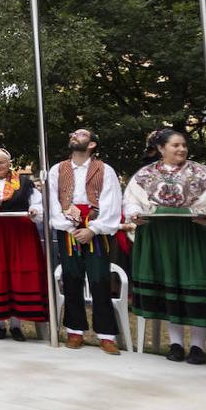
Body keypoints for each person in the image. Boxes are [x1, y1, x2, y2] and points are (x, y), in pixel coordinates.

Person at [125, 129, 206, 364]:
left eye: (183, 145)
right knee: (169, 285)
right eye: (175, 145)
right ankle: (176, 344)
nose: (181, 149)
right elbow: (130, 201)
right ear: (161, 148)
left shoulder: (203, 173)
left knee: (195, 283)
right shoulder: (144, 175)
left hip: (194, 233)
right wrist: (134, 214)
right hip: (157, 235)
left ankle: (198, 347)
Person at [48, 128, 123, 355]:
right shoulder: (57, 170)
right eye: (72, 134)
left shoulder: (105, 170)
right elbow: (52, 200)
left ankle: (106, 335)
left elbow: (112, 201)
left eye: (80, 135)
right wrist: (69, 227)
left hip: (96, 231)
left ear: (91, 144)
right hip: (67, 230)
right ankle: (74, 330)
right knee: (71, 279)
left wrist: (94, 229)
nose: (74, 136)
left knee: (99, 279)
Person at [0, 146, 47, 340]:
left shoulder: (24, 182)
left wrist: (35, 211)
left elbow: (36, 202)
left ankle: (16, 324)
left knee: (18, 273)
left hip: (19, 233)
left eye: (2, 162)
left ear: (9, 163)